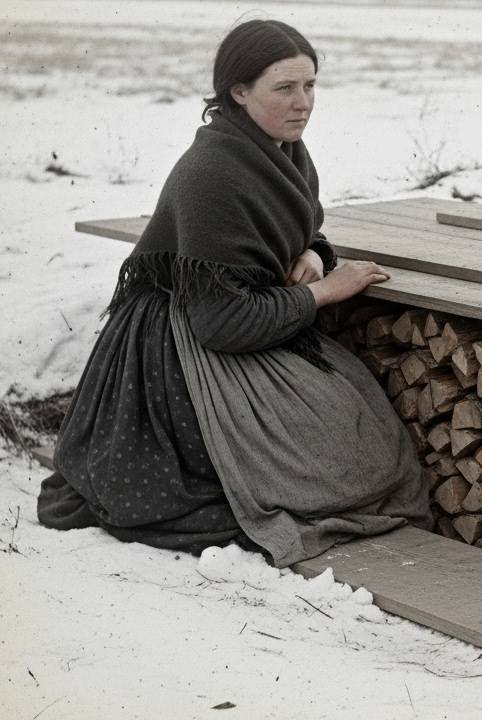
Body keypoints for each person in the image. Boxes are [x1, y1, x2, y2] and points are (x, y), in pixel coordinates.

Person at [37, 19, 432, 567]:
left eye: (310, 86)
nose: (303, 103)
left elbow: (300, 229)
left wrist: (314, 256)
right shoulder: (213, 171)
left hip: (245, 315)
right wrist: (327, 293)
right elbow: (221, 322)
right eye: (285, 88)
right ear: (239, 92)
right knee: (333, 468)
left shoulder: (278, 149)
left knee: (360, 447)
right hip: (182, 348)